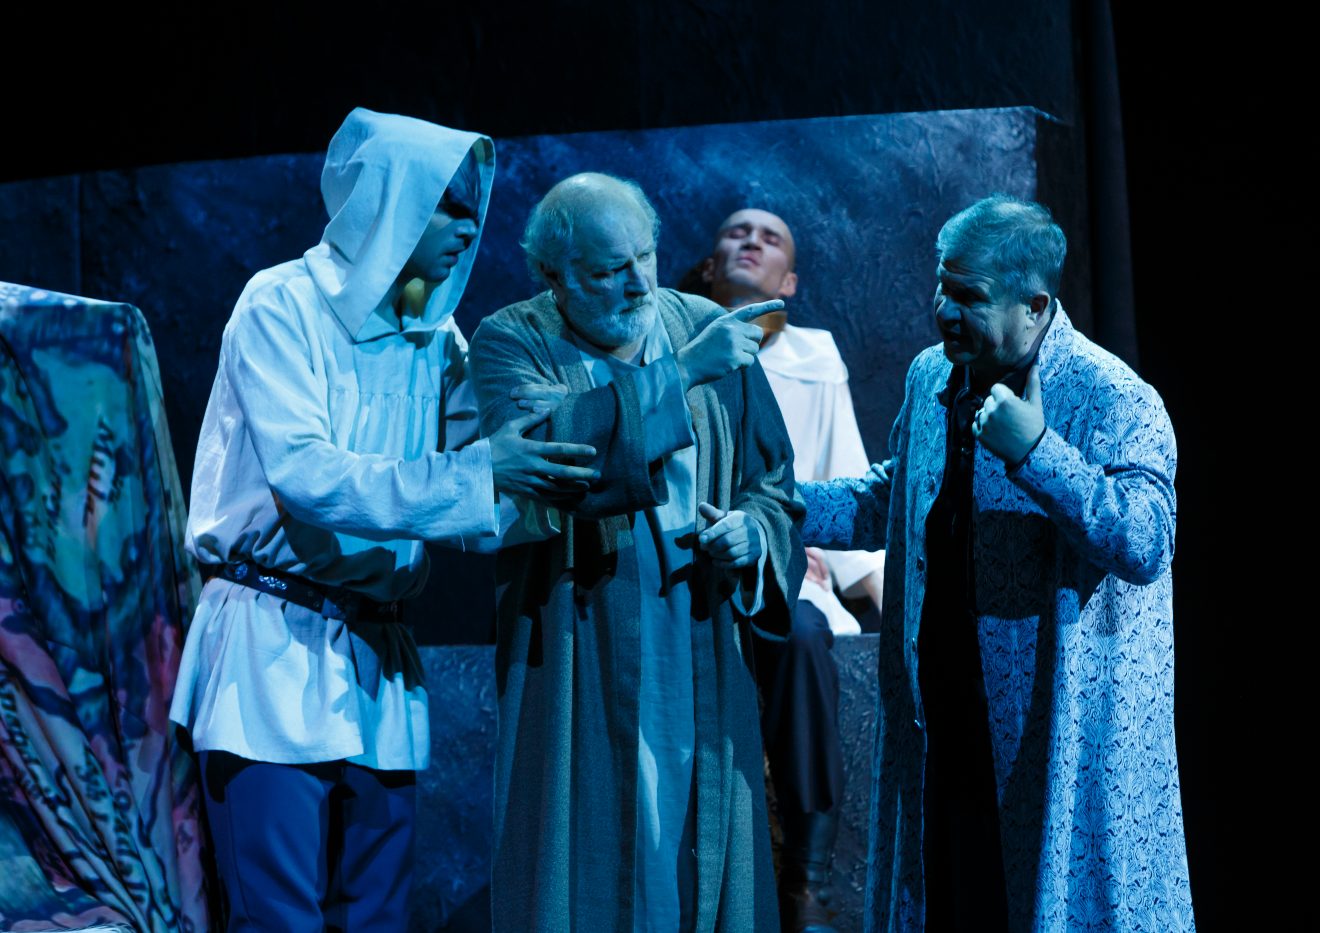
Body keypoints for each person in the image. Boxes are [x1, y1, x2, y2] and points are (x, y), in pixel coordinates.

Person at [169, 108, 596, 931]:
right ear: (390, 200)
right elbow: (307, 476)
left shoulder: (439, 339)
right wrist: (482, 472)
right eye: (449, 205)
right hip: (270, 652)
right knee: (280, 918)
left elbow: (475, 506)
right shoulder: (281, 304)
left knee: (376, 919)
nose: (470, 227)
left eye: (473, 208)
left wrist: (565, 479)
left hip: (377, 663)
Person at [800, 196, 1195, 931]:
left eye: (969, 296)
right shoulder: (933, 374)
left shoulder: (1112, 396)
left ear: (1035, 305)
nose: (944, 310)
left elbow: (1145, 543)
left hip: (1052, 731)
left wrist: (1037, 453)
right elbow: (893, 498)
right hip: (943, 721)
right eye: (942, 286)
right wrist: (778, 507)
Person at [469, 173, 806, 932]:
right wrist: (681, 373)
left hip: (699, 636)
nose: (637, 283)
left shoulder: (703, 323)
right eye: (607, 270)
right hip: (578, 637)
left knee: (698, 854)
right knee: (586, 852)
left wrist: (753, 534)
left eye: (645, 257)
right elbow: (550, 458)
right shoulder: (512, 341)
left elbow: (774, 486)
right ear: (552, 275)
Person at [698, 208, 883, 933]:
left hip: (784, 571)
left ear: (791, 282)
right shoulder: (672, 349)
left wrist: (890, 605)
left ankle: (807, 877)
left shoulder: (815, 359)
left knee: (801, 633)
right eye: (737, 232)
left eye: (770, 237)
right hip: (690, 566)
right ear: (708, 266)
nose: (751, 241)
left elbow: (845, 476)